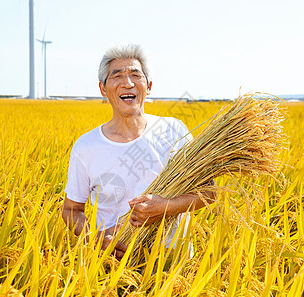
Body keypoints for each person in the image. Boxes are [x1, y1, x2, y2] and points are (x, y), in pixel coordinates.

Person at [62, 44, 215, 259]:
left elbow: (209, 192)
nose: (128, 83)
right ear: (103, 88)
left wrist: (166, 207)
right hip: (112, 265)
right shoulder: (86, 147)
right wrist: (93, 237)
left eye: (136, 75)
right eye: (117, 76)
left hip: (173, 262)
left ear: (149, 86)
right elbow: (71, 210)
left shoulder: (174, 131)